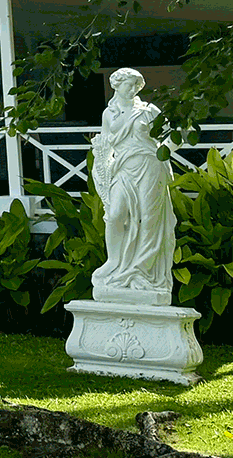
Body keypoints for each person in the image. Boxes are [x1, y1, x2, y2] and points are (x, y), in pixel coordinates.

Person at [90, 68, 175, 299]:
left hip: (149, 165)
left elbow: (173, 135)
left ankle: (141, 270)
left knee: (149, 218)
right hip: (123, 168)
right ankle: (114, 262)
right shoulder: (109, 114)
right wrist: (101, 171)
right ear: (116, 85)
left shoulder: (148, 111)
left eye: (137, 86)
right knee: (115, 214)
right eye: (129, 84)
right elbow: (104, 145)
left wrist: (165, 152)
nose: (133, 89)